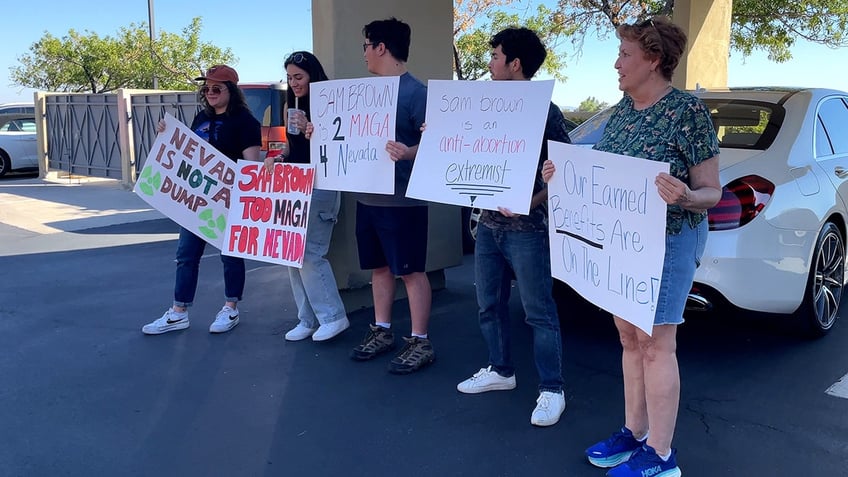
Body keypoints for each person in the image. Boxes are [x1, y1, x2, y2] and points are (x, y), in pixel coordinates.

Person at [542, 16, 721, 476]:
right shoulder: (622, 110)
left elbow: (711, 192)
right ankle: (633, 432)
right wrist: (561, 174)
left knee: (657, 343)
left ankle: (661, 456)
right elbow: (604, 170)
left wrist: (684, 194)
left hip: (670, 241)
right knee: (628, 338)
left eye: (625, 54)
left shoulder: (688, 113)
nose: (616, 64)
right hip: (624, 245)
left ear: (654, 59)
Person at [455, 27, 571, 427]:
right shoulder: (484, 107)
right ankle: (501, 370)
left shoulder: (547, 112)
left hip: (529, 230)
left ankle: (552, 389)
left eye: (495, 56)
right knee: (489, 304)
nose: (490, 64)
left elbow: (565, 167)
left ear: (515, 64)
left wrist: (530, 202)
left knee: (539, 312)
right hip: (488, 225)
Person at [142, 65, 262, 335]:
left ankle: (231, 308)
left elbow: (251, 165)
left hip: (227, 201)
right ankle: (178, 312)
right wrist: (166, 133)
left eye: (217, 88)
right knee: (186, 255)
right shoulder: (200, 118)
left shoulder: (246, 122)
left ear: (231, 90)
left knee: (230, 255)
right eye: (206, 88)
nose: (210, 93)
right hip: (196, 202)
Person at [348, 17, 433, 374]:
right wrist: (315, 131)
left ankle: (420, 339)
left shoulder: (417, 93)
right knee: (379, 268)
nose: (364, 54)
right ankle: (381, 329)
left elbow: (439, 144)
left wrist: (409, 151)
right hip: (368, 199)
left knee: (411, 271)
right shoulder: (361, 96)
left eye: (366, 46)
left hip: (403, 201)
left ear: (381, 47)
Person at [265, 51, 350, 342]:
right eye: (289, 77)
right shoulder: (293, 105)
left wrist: (318, 132)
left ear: (313, 75)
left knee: (310, 254)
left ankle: (333, 316)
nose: (293, 82)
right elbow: (293, 150)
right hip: (296, 186)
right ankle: (308, 318)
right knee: (292, 253)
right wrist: (278, 157)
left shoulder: (329, 104)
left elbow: (343, 144)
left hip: (322, 186)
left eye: (298, 76)